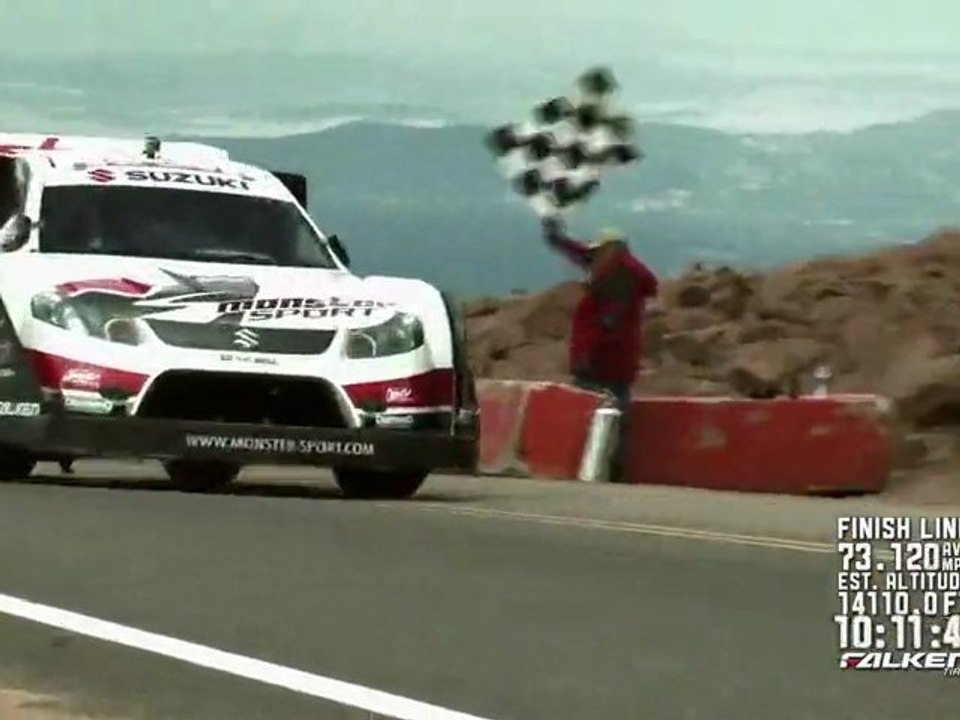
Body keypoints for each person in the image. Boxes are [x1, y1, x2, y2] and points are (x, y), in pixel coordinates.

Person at [541, 216, 659, 483]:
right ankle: (613, 467)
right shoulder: (615, 268)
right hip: (617, 360)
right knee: (618, 412)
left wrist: (587, 354)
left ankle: (602, 468)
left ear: (611, 249)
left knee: (599, 413)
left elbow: (608, 323)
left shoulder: (620, 277)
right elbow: (584, 255)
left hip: (602, 361)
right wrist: (559, 239)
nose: (593, 258)